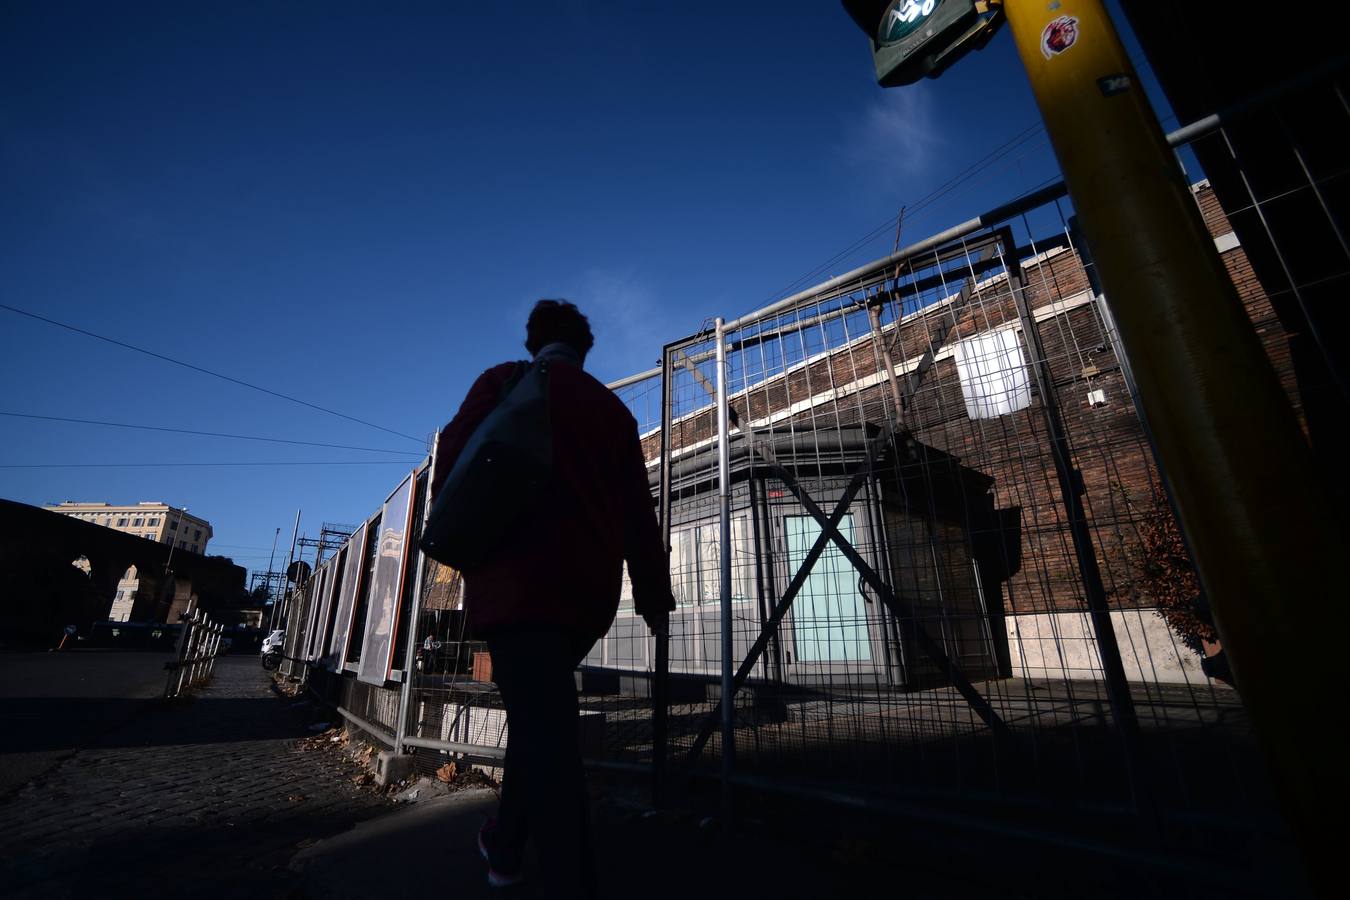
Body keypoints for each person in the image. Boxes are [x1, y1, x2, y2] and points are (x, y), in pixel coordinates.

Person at [429, 299, 674, 896]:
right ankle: (506, 845)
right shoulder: (614, 414)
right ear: (585, 350)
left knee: (546, 728)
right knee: (542, 720)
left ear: (533, 340)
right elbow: (639, 518)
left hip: (514, 587)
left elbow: (452, 463)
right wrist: (653, 596)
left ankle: (569, 876)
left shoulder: (503, 383)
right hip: (586, 596)